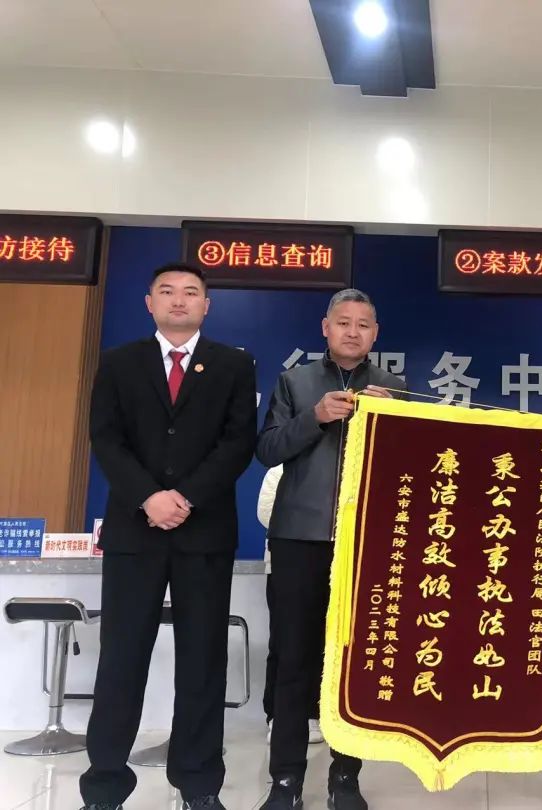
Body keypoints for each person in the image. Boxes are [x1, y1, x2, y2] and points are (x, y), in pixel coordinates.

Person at [80, 263, 257, 810]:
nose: (179, 300)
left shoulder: (234, 365)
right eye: (167, 291)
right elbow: (106, 439)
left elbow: (238, 443)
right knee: (121, 658)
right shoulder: (119, 362)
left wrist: (186, 498)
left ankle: (199, 785)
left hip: (204, 533)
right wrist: (148, 497)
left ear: (207, 305)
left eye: (191, 292)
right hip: (135, 532)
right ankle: (105, 787)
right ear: (149, 302)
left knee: (202, 661)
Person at [256, 289, 405, 810]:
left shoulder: (394, 388)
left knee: (353, 665)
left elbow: (414, 468)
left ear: (375, 334)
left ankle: (346, 778)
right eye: (343, 322)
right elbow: (267, 449)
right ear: (326, 328)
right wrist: (315, 417)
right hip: (298, 538)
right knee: (293, 660)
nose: (352, 332)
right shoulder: (295, 382)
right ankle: (285, 781)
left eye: (363, 324)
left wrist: (397, 425)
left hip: (367, 545)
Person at [255, 464, 323, 746]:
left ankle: (313, 713)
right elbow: (265, 514)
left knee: (321, 642)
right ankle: (277, 715)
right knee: (284, 643)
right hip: (284, 566)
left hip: (329, 567)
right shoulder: (280, 470)